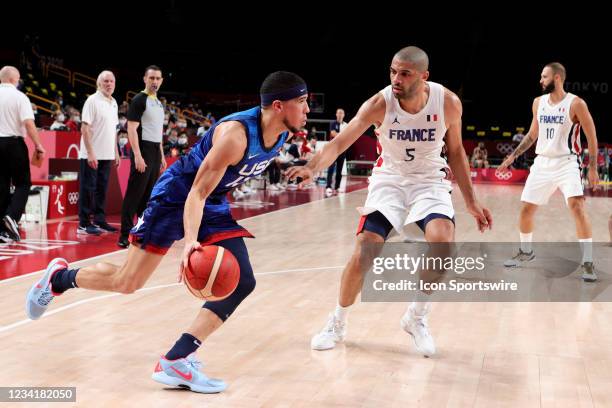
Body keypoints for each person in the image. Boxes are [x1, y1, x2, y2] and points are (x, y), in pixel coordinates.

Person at [25, 71, 310, 394]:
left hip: (212, 202)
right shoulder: (236, 135)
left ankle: (176, 359)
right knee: (127, 282)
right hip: (176, 196)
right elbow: (195, 194)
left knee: (242, 281)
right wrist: (190, 242)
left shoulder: (284, 134)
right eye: (301, 102)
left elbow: (211, 192)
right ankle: (59, 279)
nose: (307, 110)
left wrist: (305, 169)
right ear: (277, 106)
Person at [287, 46, 492, 357]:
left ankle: (416, 317)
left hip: (429, 181)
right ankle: (337, 322)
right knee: (364, 252)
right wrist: (312, 166)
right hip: (390, 181)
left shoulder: (447, 102)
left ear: (424, 77)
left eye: (405, 73)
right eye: (393, 71)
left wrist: (472, 201)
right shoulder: (379, 104)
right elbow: (341, 141)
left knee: (443, 244)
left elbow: (456, 152)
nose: (397, 78)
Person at [499, 62, 600, 281]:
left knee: (577, 207)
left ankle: (588, 262)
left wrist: (592, 168)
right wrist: (514, 155)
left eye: (544, 77)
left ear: (557, 78)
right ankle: (526, 252)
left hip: (567, 162)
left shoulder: (576, 103)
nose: (540, 80)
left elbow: (591, 137)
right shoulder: (538, 102)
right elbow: (532, 134)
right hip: (542, 162)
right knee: (526, 210)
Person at [118, 66, 167, 248]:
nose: (155, 81)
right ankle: (124, 235)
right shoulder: (139, 100)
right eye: (151, 78)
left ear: (161, 81)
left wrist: (161, 155)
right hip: (143, 149)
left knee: (148, 196)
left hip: (154, 150)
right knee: (134, 193)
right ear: (145, 79)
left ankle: (142, 231)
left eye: (158, 78)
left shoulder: (159, 103)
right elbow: (131, 129)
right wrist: (137, 155)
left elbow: (158, 132)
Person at [0, 66, 46, 242]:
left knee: (1, 185)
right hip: (14, 143)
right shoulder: (20, 97)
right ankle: (11, 217)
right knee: (23, 183)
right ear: (14, 79)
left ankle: (2, 231)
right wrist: (38, 144)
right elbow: (28, 123)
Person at [77, 71, 121, 235]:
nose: (109, 84)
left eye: (111, 81)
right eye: (105, 81)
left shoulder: (114, 102)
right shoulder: (92, 101)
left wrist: (116, 151)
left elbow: (114, 129)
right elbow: (85, 128)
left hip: (107, 154)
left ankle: (100, 220)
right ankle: (83, 223)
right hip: (91, 154)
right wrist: (90, 153)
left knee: (102, 188)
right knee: (88, 188)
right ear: (99, 83)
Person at [325, 108, 348, 197]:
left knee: (339, 169)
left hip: (342, 149)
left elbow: (348, 136)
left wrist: (343, 136)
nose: (340, 114)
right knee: (331, 168)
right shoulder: (333, 123)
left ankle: (337, 186)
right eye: (338, 113)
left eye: (341, 113)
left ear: (344, 115)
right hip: (333, 149)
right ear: (336, 114)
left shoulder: (346, 125)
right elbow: (333, 133)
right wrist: (343, 135)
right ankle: (328, 186)